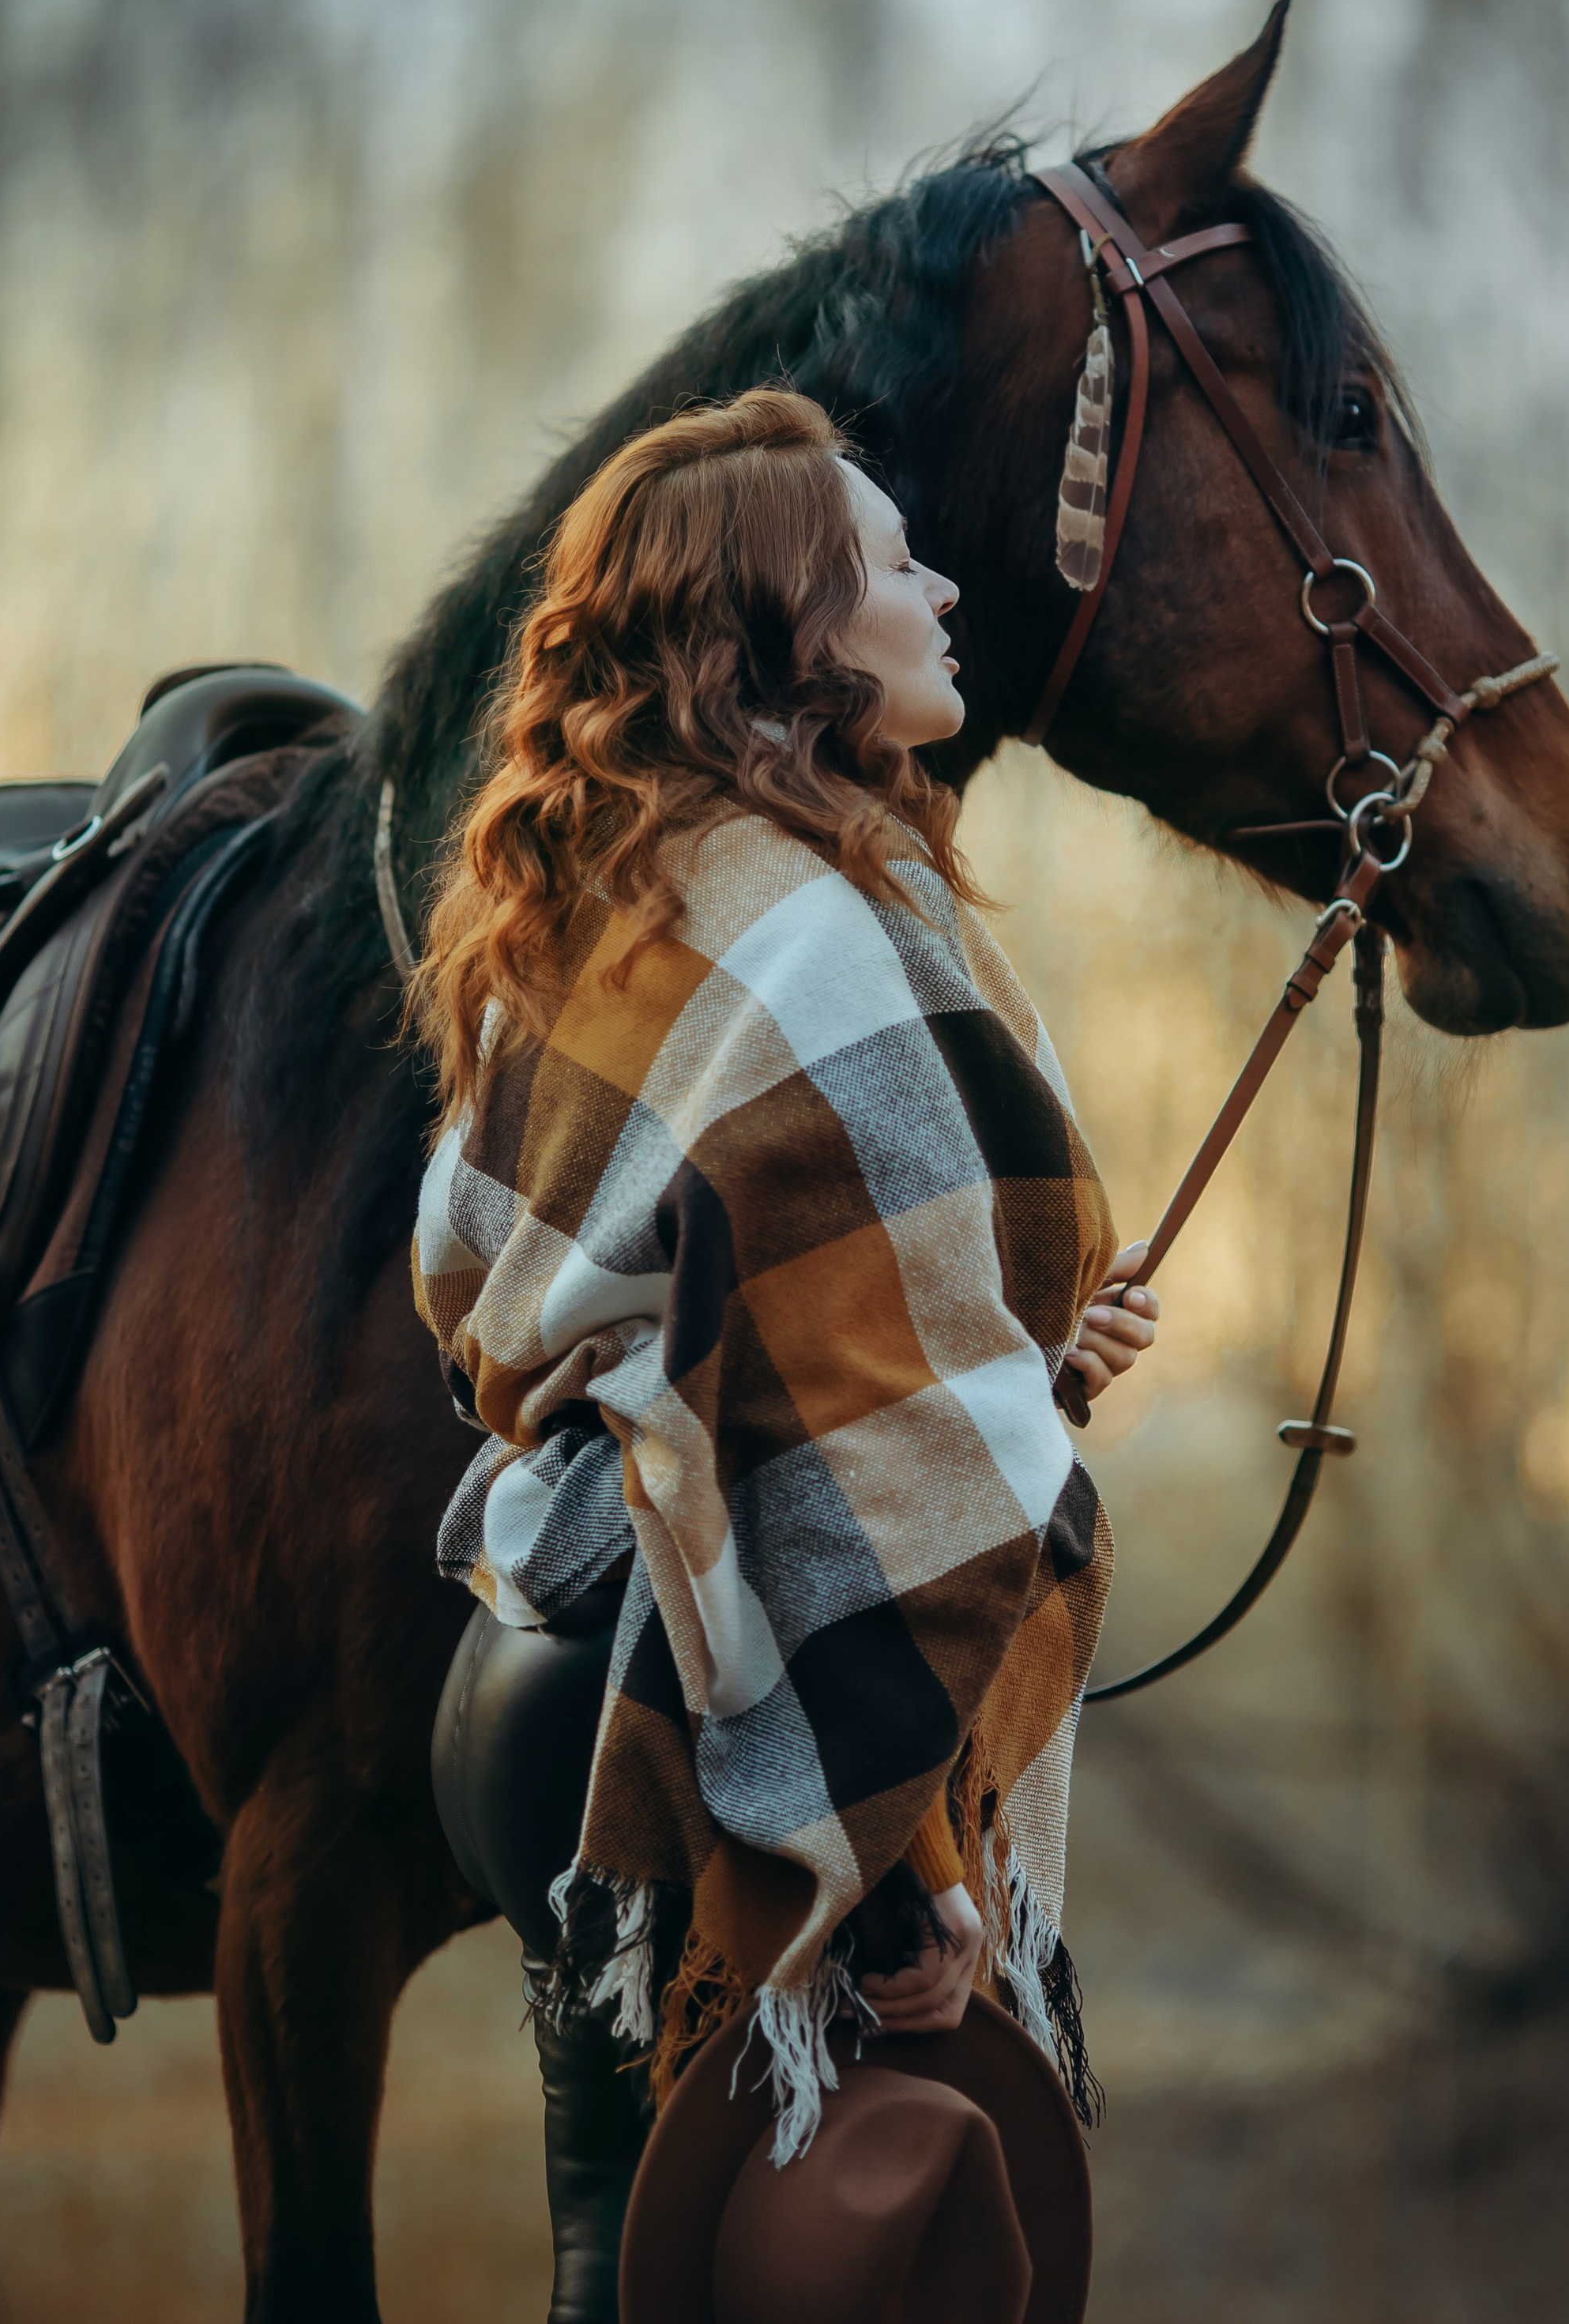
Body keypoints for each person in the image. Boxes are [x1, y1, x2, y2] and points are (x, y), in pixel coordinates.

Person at [411, 389, 1157, 2324]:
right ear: (789, 630)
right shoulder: (821, 932)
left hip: (542, 1666)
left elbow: (603, 1304)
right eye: (892, 561)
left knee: (625, 2266)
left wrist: (1023, 1358)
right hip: (738, 1704)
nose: (941, 590)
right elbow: (839, 1437)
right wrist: (898, 1860)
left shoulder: (609, 892)